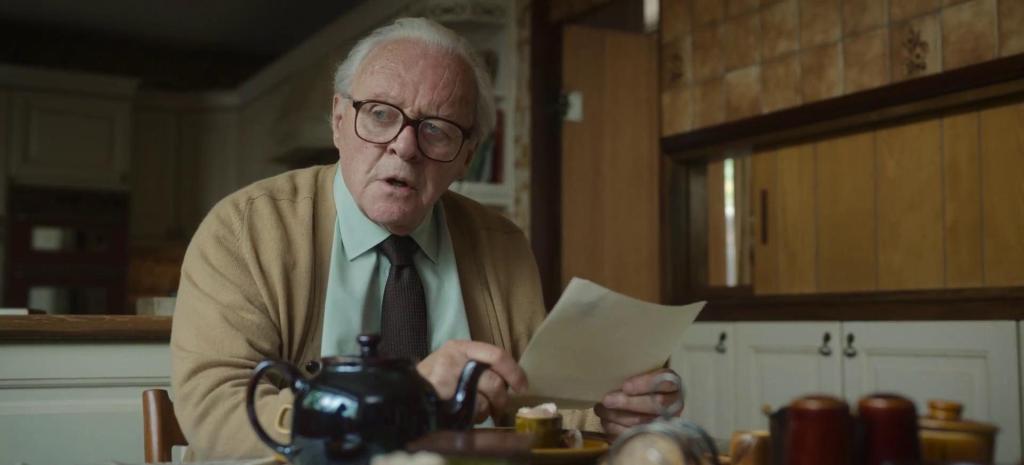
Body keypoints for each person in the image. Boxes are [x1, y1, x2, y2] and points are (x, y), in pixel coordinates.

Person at [170, 17, 681, 460]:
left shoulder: (502, 245)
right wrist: (404, 399)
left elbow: (535, 404)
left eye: (437, 128)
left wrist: (612, 413)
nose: (405, 146)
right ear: (339, 121)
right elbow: (214, 412)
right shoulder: (245, 230)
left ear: (466, 156)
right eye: (380, 114)